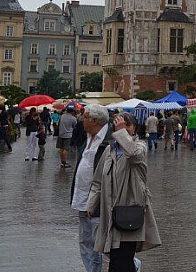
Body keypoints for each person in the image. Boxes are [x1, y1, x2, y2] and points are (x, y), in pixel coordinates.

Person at [86, 112, 161, 271]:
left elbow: (134, 154)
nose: (124, 128)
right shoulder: (109, 151)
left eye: (128, 125)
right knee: (115, 261)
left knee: (123, 260)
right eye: (120, 124)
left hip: (129, 214)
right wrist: (91, 205)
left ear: (134, 128)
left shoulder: (140, 146)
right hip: (111, 215)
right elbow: (98, 181)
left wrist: (121, 132)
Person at [71, 104, 112, 272]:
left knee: (101, 244)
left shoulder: (109, 140)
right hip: (81, 198)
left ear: (94, 120)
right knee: (85, 242)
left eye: (85, 117)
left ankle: (131, 265)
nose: (82, 120)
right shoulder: (87, 137)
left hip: (98, 201)